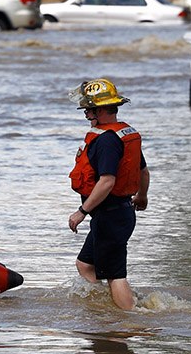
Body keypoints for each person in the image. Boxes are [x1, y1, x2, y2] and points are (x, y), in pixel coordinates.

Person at [66, 78, 150, 311]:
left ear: (101, 110)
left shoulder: (106, 141)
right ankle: (107, 309)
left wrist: (82, 212)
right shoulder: (123, 134)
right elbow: (143, 171)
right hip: (115, 215)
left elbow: (107, 181)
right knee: (85, 264)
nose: (85, 114)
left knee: (115, 275)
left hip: (111, 216)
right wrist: (142, 197)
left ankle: (129, 321)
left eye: (89, 109)